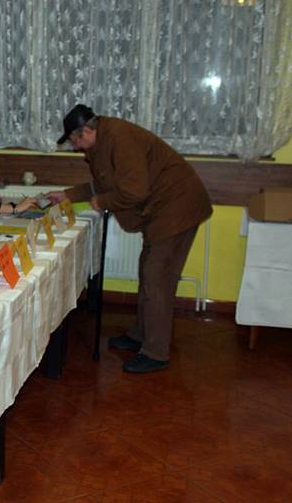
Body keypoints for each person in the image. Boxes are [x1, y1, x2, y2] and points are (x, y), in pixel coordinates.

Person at [46, 104, 212, 373]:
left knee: (157, 278)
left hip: (177, 208)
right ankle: (140, 334)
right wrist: (67, 194)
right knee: (148, 273)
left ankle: (156, 352)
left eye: (76, 140)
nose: (76, 147)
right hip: (162, 210)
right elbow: (105, 182)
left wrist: (101, 201)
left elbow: (134, 191)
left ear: (87, 130)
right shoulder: (102, 141)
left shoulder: (119, 138)